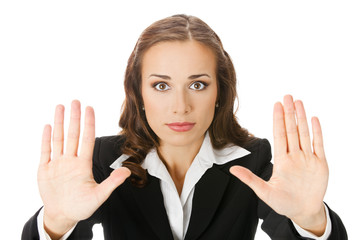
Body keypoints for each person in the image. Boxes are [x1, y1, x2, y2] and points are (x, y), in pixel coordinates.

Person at [22, 14, 347, 240]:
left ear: (219, 92)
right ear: (138, 93)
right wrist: (57, 222)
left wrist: (312, 220)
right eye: (161, 86)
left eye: (198, 85)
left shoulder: (252, 160)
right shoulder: (104, 159)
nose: (180, 106)